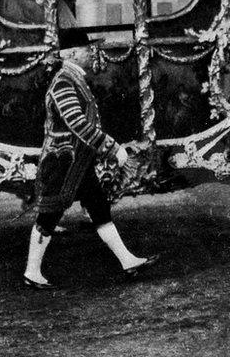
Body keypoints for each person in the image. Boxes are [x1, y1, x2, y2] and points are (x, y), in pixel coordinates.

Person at [22, 32, 157, 290]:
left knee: (99, 209)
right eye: (86, 49)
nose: (91, 53)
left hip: (76, 163)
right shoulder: (63, 82)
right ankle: (31, 272)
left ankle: (128, 261)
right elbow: (78, 124)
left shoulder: (73, 79)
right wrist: (112, 148)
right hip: (62, 163)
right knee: (48, 217)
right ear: (70, 54)